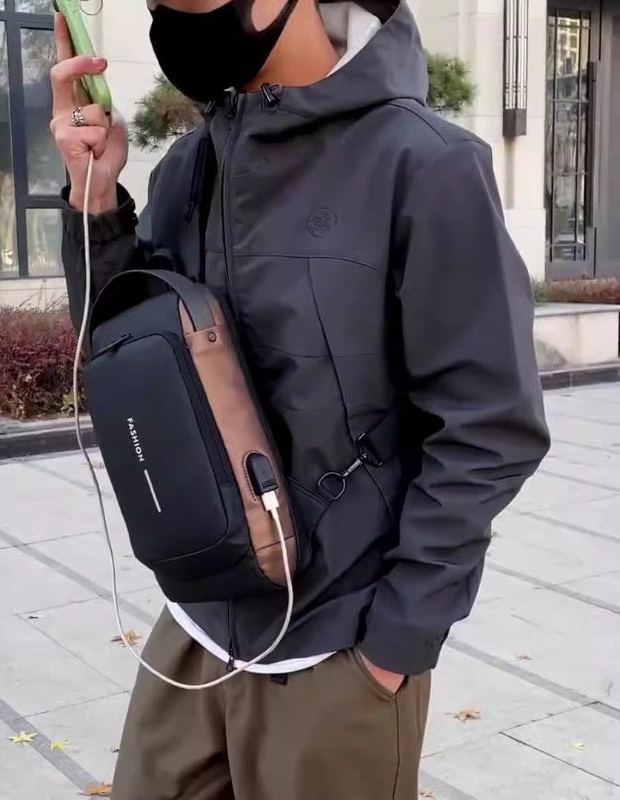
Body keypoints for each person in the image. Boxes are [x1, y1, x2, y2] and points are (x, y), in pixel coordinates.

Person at [50, 2, 551, 798]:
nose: (171, 15)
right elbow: (124, 354)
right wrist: (94, 196)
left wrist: (396, 641)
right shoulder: (188, 165)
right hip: (198, 622)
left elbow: (491, 425)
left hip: (339, 644)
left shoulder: (425, 164)